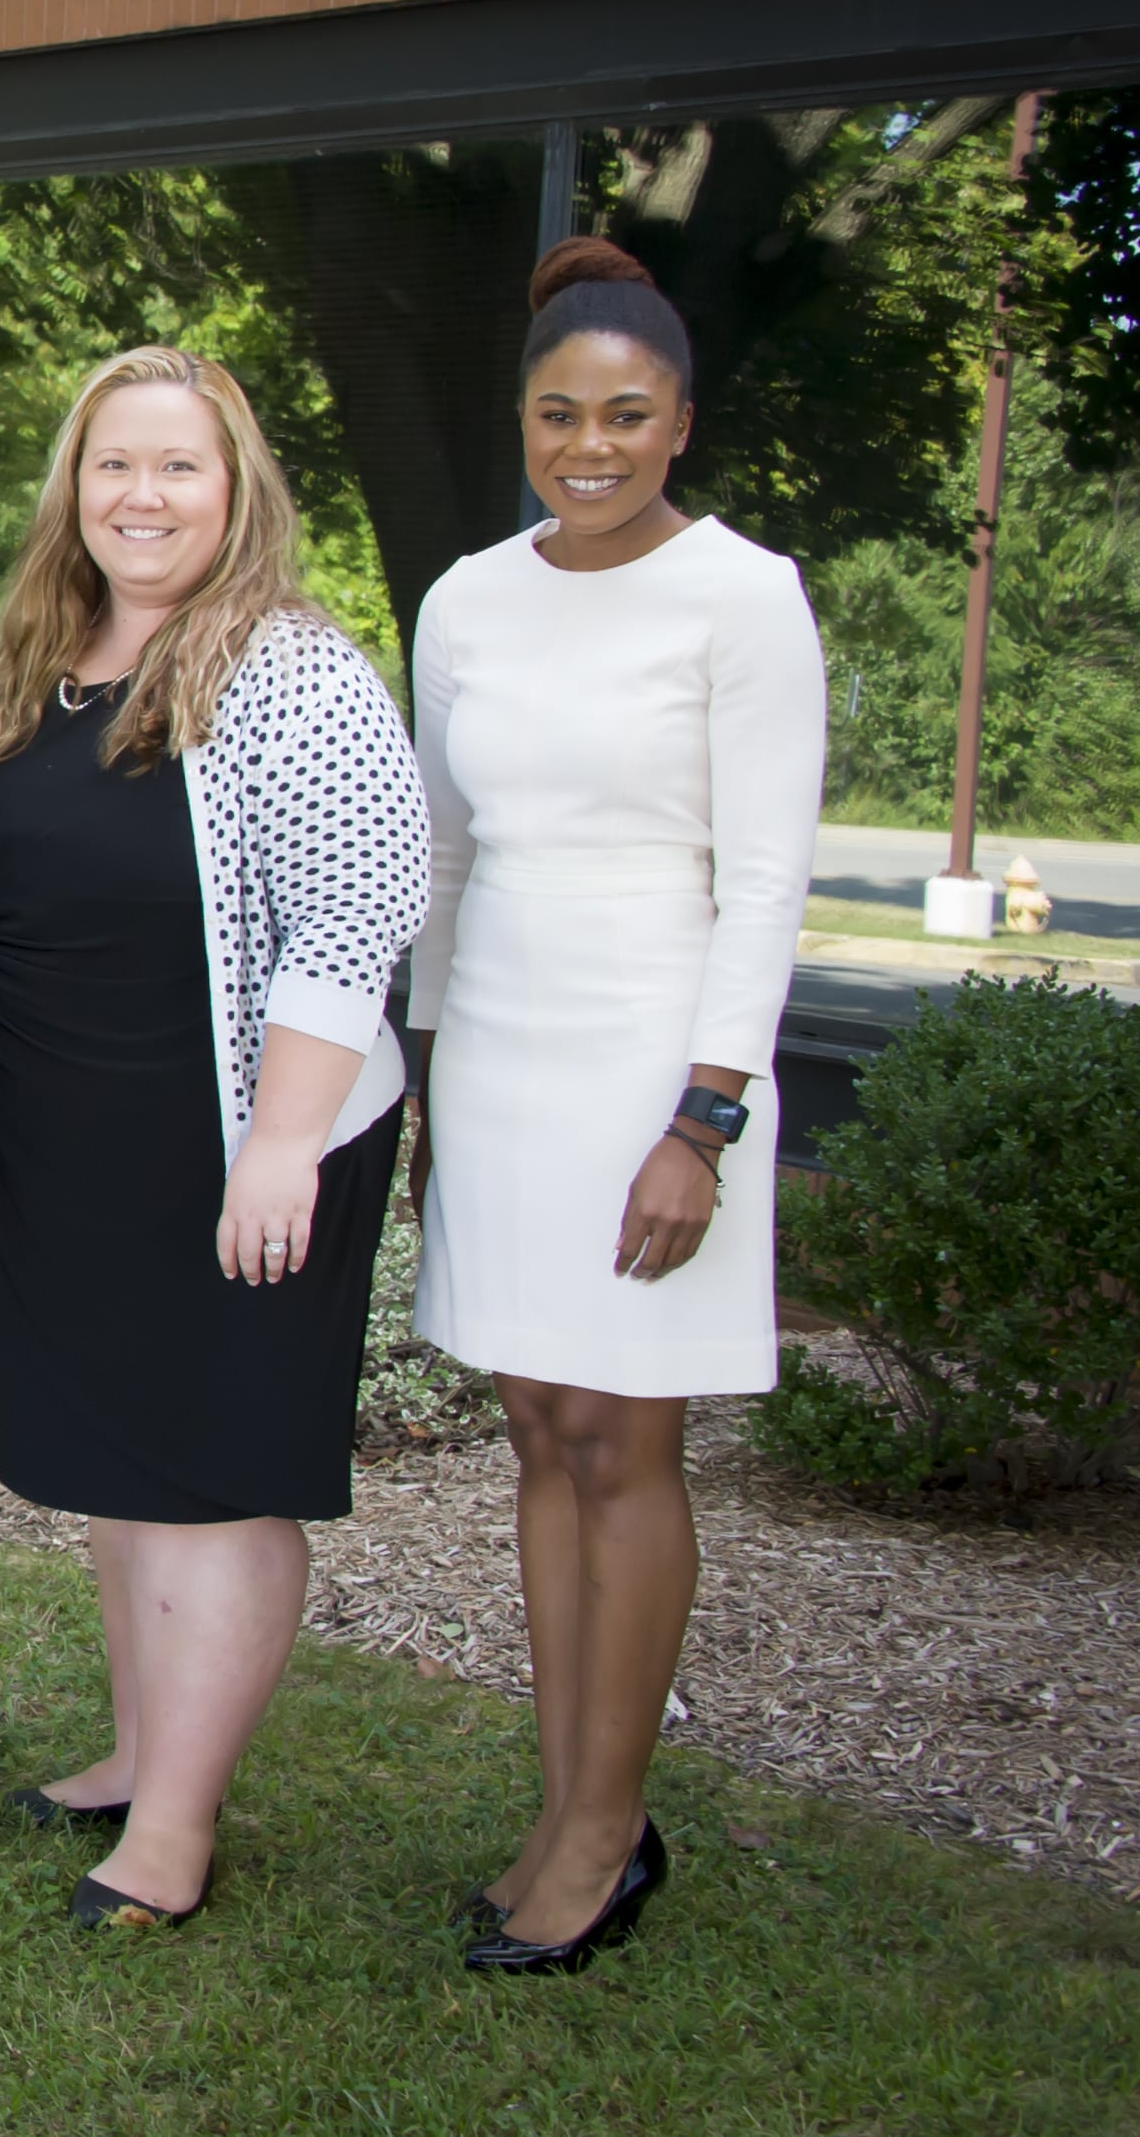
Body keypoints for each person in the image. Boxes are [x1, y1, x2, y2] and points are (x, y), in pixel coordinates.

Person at [0, 348, 429, 1931]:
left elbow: (358, 911)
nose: (140, 495)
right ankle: (137, 1751)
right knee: (124, 1468)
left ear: (235, 490)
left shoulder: (289, 669)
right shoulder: (25, 667)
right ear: (73, 487)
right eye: (112, 464)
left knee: (208, 1473)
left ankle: (175, 1832)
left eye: (177, 467)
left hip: (235, 1138)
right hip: (58, 1141)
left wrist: (281, 1142)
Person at [410, 236, 823, 1973]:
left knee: (621, 1439)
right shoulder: (462, 598)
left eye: (625, 415)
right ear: (522, 418)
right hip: (496, 1055)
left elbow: (767, 878)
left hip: (658, 1061)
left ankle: (605, 1825)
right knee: (534, 1435)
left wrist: (703, 1120)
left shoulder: (744, 594)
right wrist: (419, 1070)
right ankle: (566, 1795)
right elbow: (435, 852)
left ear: (678, 423)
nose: (588, 443)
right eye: (557, 413)